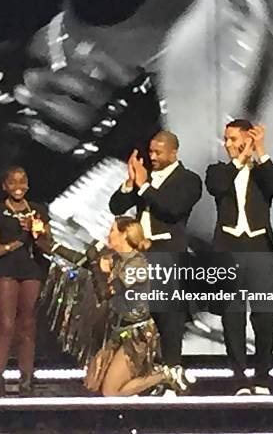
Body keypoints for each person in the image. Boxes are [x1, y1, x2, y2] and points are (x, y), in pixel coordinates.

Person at [109, 130, 202, 395]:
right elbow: (116, 206)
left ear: (174, 152)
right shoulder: (142, 180)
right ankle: (146, 379)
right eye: (151, 152)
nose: (153, 156)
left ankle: (172, 375)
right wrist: (130, 183)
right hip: (141, 256)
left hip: (168, 255)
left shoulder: (189, 180)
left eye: (158, 152)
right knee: (142, 317)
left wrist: (145, 186)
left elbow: (171, 209)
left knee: (169, 317)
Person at [205, 119, 273, 395]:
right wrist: (238, 160)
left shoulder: (262, 172)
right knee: (232, 316)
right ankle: (239, 378)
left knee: (266, 315)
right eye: (225, 139)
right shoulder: (219, 170)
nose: (227, 144)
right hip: (229, 250)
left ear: (247, 139)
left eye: (233, 139)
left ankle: (262, 376)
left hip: (259, 249)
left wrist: (260, 150)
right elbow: (216, 187)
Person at [81, 216, 174, 396]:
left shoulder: (136, 265)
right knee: (93, 381)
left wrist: (94, 263)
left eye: (112, 231)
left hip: (137, 335)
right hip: (119, 330)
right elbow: (82, 261)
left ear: (124, 235)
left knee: (111, 392)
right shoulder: (117, 259)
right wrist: (51, 244)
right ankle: (156, 380)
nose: (108, 235)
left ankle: (165, 376)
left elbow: (105, 294)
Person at [0, 166, 50, 397]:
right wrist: (10, 246)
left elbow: (48, 244)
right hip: (6, 270)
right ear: (5, 186)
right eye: (12, 182)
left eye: (22, 181)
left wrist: (36, 232)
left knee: (28, 324)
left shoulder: (38, 211)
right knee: (7, 325)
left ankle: (27, 377)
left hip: (32, 269)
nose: (18, 186)